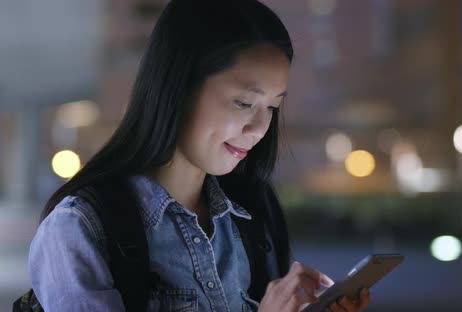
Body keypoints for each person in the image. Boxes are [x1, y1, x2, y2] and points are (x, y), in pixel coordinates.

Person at [28, 0, 371, 311]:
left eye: (272, 106)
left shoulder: (253, 211)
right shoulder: (80, 228)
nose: (258, 128)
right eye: (243, 103)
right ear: (179, 87)